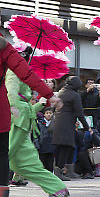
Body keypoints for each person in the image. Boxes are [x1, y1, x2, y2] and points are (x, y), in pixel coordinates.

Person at [0, 35, 61, 197]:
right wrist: (45, 99)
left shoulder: (12, 71)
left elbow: (13, 92)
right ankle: (56, 187)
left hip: (17, 117)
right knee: (24, 159)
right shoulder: (18, 68)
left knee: (9, 156)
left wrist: (16, 106)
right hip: (21, 117)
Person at [52, 76, 91, 181]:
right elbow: (80, 113)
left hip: (58, 123)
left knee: (62, 148)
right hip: (68, 124)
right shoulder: (75, 95)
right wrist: (87, 127)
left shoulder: (60, 92)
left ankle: (63, 171)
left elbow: (53, 107)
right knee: (67, 148)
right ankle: (63, 172)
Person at [36, 107, 56, 172]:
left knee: (50, 164)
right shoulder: (39, 123)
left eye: (50, 113)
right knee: (42, 164)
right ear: (44, 114)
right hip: (42, 147)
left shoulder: (55, 123)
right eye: (47, 113)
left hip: (51, 146)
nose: (49, 115)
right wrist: (37, 145)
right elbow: (36, 135)